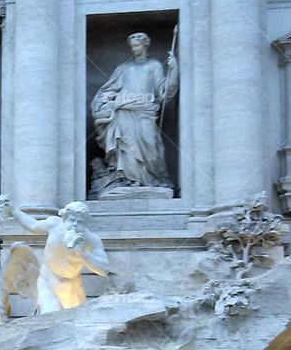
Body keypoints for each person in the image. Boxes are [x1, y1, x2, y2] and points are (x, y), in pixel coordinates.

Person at [91, 32, 178, 193]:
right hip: (123, 113)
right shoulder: (124, 68)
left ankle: (155, 180)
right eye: (132, 46)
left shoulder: (154, 66)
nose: (134, 49)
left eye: (137, 45)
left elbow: (165, 93)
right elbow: (108, 90)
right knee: (126, 149)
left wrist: (173, 70)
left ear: (145, 44)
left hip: (145, 113)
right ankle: (129, 180)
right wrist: (106, 101)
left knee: (151, 145)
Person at [10, 202, 111, 312]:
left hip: (72, 286)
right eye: (72, 220)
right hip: (48, 279)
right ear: (64, 219)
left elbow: (104, 269)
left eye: (80, 222)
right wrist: (14, 211)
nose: (75, 225)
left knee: (75, 320)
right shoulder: (54, 225)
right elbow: (33, 225)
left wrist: (82, 253)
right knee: (50, 313)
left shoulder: (90, 239)